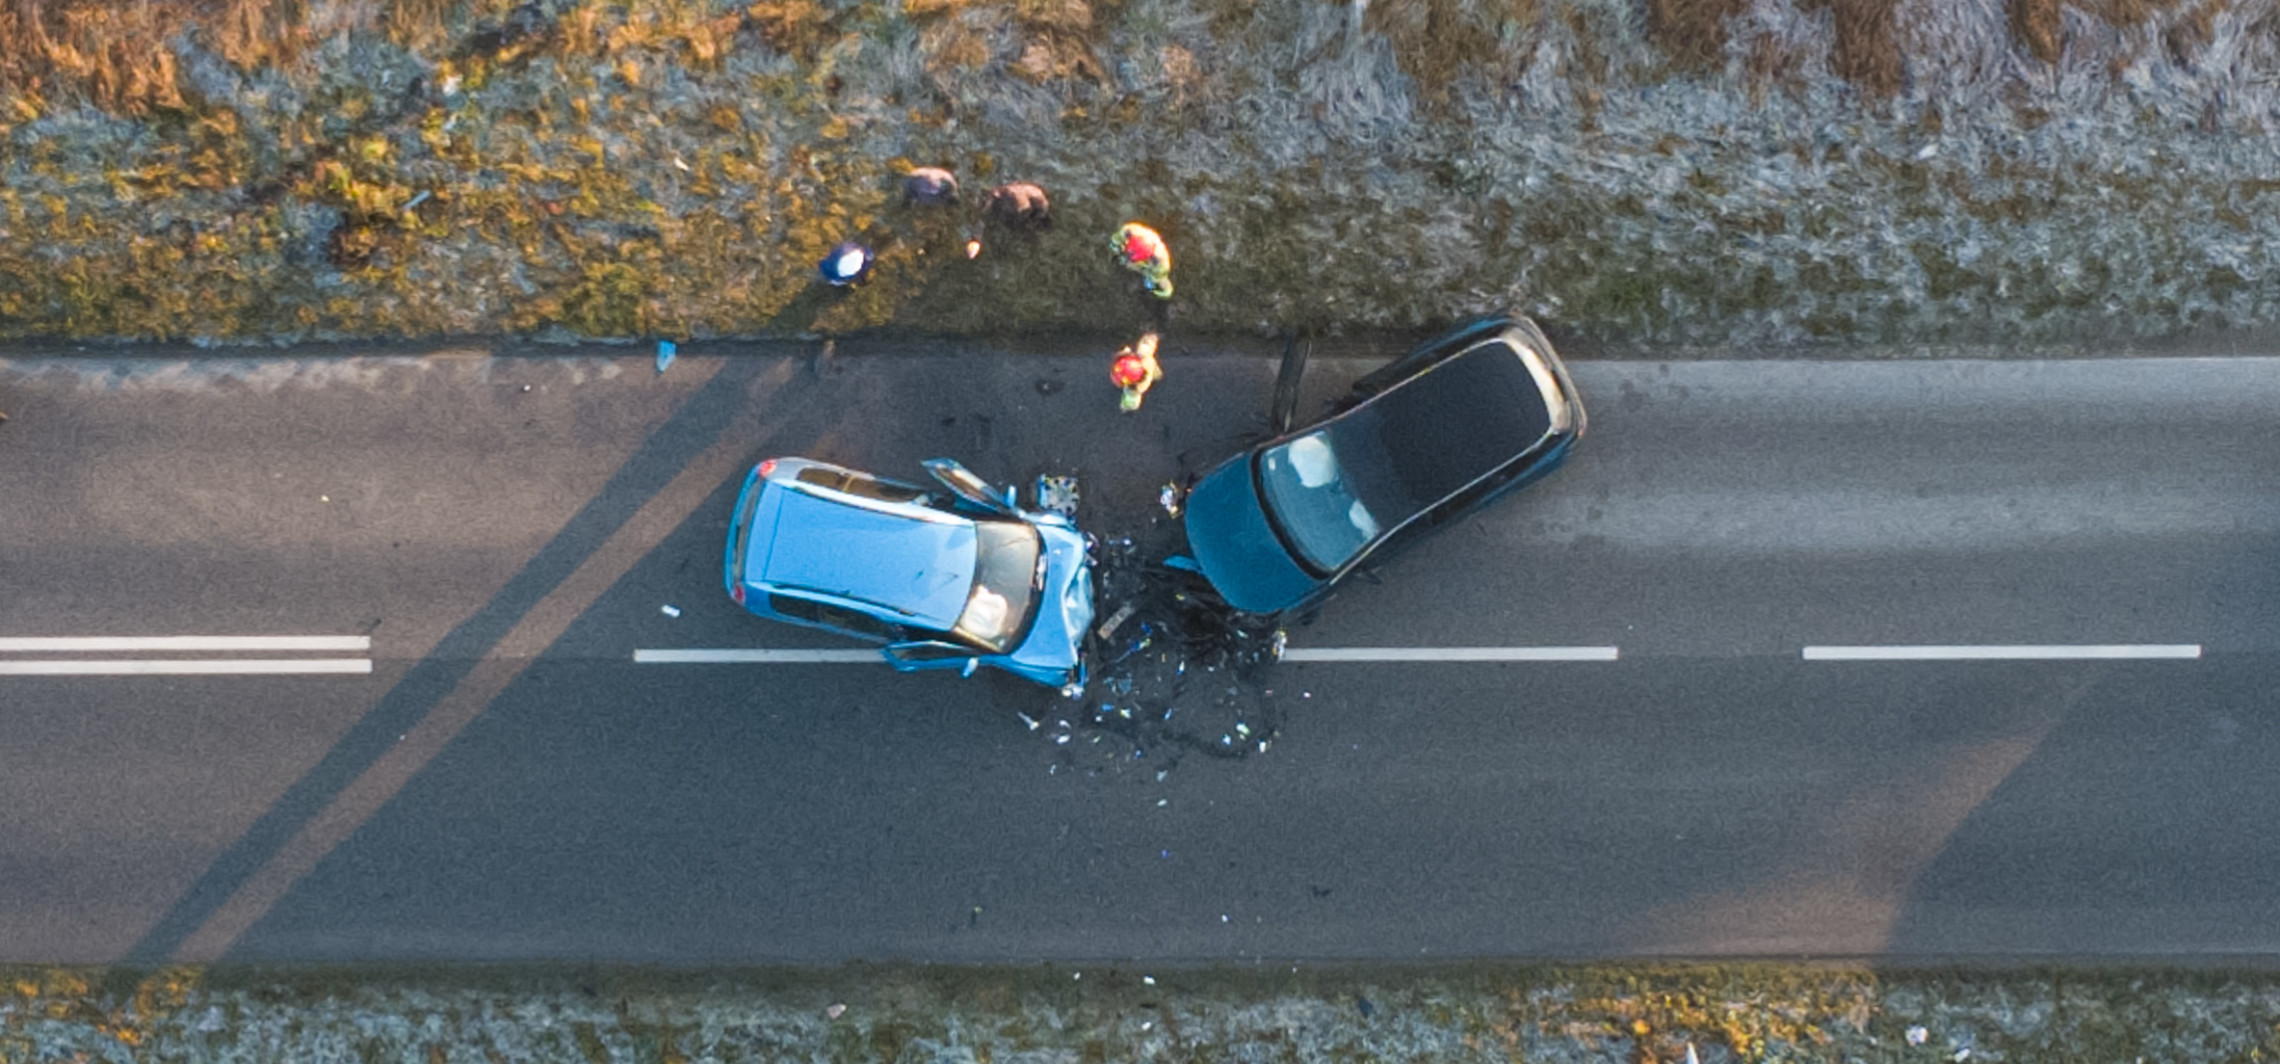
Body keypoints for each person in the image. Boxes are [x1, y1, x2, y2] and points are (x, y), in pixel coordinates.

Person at [967, 182, 1052, 258]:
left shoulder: (1031, 196)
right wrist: (975, 239)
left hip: (1019, 210)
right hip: (1014, 208)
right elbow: (982, 218)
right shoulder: (1002, 198)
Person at [1112, 221, 1172, 298]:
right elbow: (1115, 241)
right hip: (1139, 247)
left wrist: (1138, 268)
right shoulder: (1128, 231)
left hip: (1153, 265)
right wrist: (1117, 248)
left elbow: (1159, 275)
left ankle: (1150, 284)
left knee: (1154, 278)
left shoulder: (1160, 265)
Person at [1110, 332, 1163, 412]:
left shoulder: (1147, 363)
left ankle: (1128, 407)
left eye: (1149, 347)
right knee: (1154, 372)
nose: (1142, 353)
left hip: (1138, 384)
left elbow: (1143, 381)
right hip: (1135, 381)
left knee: (1132, 394)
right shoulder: (1136, 358)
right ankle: (1128, 406)